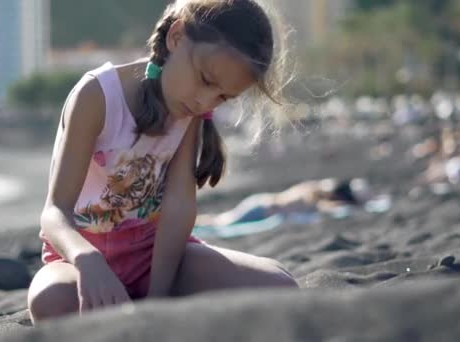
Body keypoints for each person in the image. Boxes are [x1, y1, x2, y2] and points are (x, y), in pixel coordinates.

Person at [27, 0, 299, 324]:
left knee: (281, 286)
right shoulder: (97, 95)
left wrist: (158, 300)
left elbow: (178, 207)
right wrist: (87, 260)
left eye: (223, 97)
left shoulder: (189, 108)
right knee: (50, 299)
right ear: (177, 36)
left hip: (153, 258)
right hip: (79, 261)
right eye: (206, 80)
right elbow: (54, 213)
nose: (204, 101)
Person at [195, 178, 373, 226]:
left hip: (261, 201)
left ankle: (190, 222)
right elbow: (331, 209)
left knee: (220, 219)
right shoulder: (317, 198)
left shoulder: (312, 187)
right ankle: (190, 223)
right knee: (220, 222)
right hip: (263, 209)